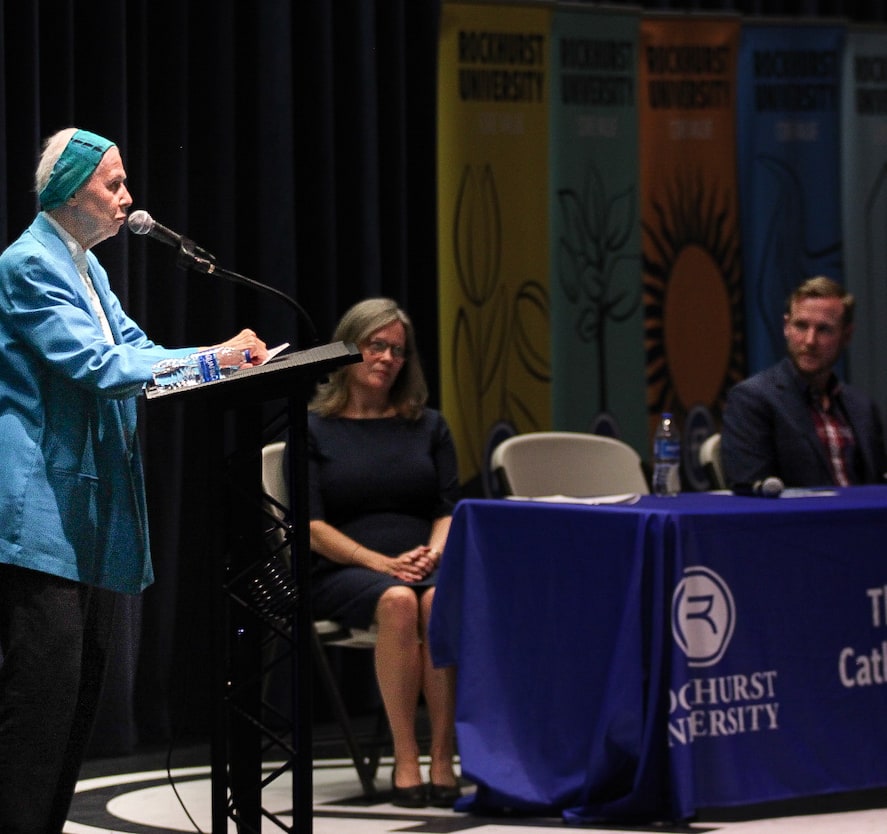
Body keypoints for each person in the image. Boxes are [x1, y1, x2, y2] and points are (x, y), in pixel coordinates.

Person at [0, 127, 269, 834]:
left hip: (82, 511)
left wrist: (217, 362)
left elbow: (139, 352)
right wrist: (214, 359)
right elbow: (98, 365)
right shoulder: (28, 263)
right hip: (38, 518)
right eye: (113, 183)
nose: (127, 198)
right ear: (68, 191)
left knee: (76, 702)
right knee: (40, 706)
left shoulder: (89, 268)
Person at [306, 298, 461, 808]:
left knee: (436, 602)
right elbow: (311, 527)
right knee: (398, 601)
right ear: (350, 347)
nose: (388, 358)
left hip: (423, 562)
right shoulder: (313, 428)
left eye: (398, 350)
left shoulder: (429, 426)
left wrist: (434, 555)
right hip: (344, 569)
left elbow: (447, 508)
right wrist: (380, 563)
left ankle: (442, 754)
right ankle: (405, 754)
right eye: (377, 345)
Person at [721, 275, 887, 488]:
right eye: (801, 326)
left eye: (824, 329)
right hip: (800, 519)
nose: (809, 341)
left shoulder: (862, 406)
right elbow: (752, 487)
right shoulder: (753, 399)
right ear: (786, 327)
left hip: (864, 518)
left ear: (846, 336)